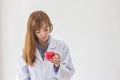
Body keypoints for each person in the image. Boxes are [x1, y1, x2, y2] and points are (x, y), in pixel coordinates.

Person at [16, 10, 75, 80]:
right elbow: (22, 77)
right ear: (33, 32)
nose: (43, 34)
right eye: (38, 32)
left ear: (50, 27)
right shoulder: (25, 51)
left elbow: (69, 74)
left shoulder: (62, 46)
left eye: (46, 29)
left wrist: (58, 66)